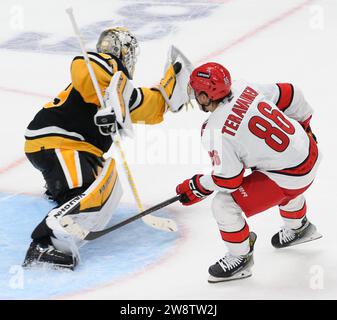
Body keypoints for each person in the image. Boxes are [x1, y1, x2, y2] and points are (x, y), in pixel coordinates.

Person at [23, 27, 192, 270]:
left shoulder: (121, 93)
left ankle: (62, 190)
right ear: (125, 53)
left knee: (109, 185)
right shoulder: (98, 73)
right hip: (58, 144)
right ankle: (45, 244)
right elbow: (85, 64)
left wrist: (171, 86)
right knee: (94, 195)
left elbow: (151, 107)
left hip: (74, 149)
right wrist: (113, 67)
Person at [176, 62, 322, 283]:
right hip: (310, 151)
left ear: (206, 96)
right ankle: (299, 227)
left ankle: (240, 258)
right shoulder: (244, 87)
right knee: (275, 171)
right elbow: (291, 94)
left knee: (224, 205)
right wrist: (305, 126)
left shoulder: (214, 129)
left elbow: (229, 179)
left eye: (197, 92)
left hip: (291, 176)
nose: (195, 96)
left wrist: (198, 186)